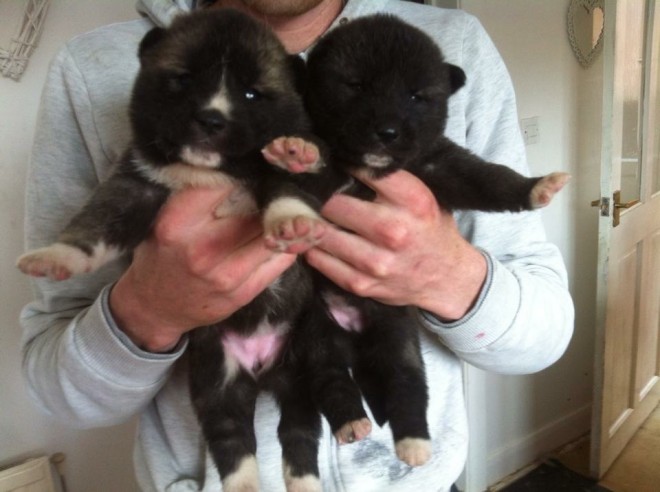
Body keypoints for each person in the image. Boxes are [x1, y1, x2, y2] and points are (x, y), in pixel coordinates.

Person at [20, 0, 574, 490]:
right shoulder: (90, 68)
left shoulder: (456, 44)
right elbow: (56, 382)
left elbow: (544, 336)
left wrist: (449, 275)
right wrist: (149, 308)